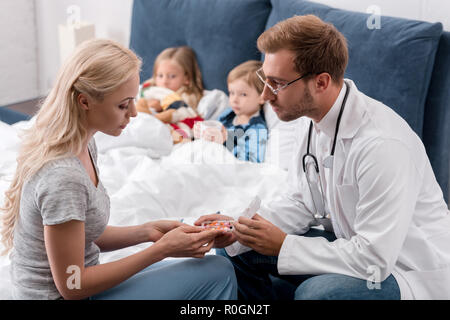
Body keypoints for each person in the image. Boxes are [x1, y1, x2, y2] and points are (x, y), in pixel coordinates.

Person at [195, 15, 450, 300]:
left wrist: (283, 245)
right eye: (264, 79)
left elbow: (374, 260)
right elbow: (302, 200)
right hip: (351, 247)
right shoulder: (311, 118)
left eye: (277, 84)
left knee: (319, 295)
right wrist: (241, 225)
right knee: (238, 248)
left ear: (321, 82)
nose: (265, 95)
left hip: (405, 270)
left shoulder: (382, 145)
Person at [0, 39, 237, 300]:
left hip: (86, 285)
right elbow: (73, 285)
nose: (134, 113)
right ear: (85, 101)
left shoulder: (84, 144)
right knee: (218, 270)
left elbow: (85, 232)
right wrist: (160, 250)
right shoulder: (63, 177)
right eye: (123, 105)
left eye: (134, 101)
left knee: (206, 265)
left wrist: (149, 232)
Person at [194, 60, 268, 163]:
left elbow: (252, 161)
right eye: (232, 93)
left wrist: (225, 141)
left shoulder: (257, 129)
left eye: (243, 94)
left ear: (262, 97)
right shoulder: (228, 114)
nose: (234, 100)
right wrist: (203, 134)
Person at [136, 46, 205, 143]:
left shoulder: (186, 96)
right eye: (160, 75)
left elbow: (187, 116)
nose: (164, 81)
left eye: (172, 76)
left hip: (171, 132)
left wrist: (162, 109)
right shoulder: (148, 89)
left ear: (187, 78)